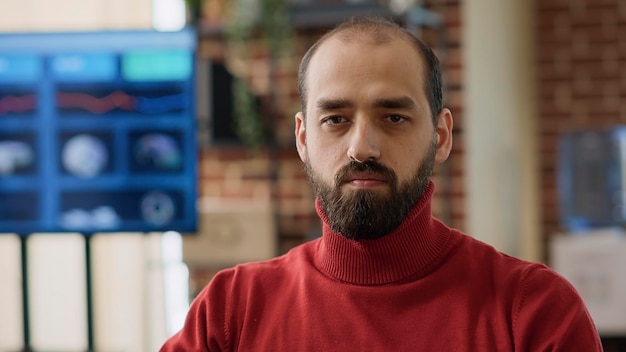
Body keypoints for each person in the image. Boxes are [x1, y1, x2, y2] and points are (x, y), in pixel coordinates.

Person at [161, 16, 602, 351]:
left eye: (393, 117)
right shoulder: (229, 313)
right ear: (302, 138)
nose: (362, 147)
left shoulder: (533, 312)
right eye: (335, 119)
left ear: (441, 136)